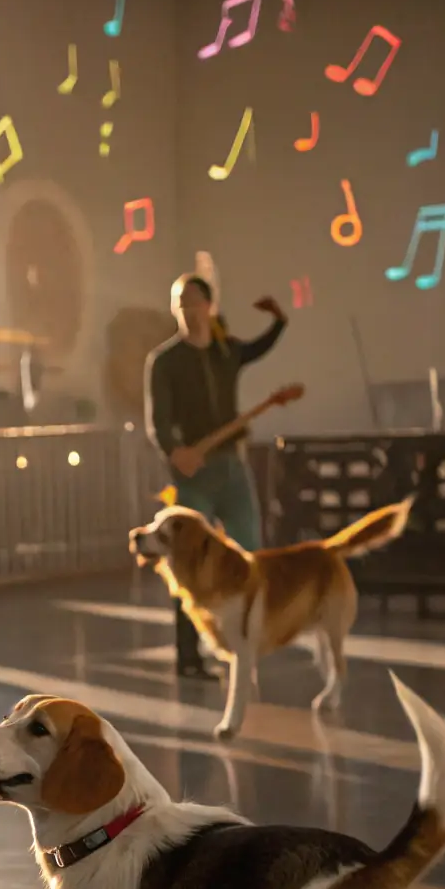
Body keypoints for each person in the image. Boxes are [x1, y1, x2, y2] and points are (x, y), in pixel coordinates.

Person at [144, 275, 288, 677]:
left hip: (231, 467)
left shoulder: (226, 352)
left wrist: (279, 319)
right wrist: (176, 452)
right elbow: (158, 420)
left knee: (249, 555)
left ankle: (247, 645)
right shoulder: (165, 361)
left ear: (209, 306)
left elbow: (260, 346)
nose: (187, 310)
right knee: (185, 562)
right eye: (180, 303)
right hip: (193, 475)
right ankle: (189, 657)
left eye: (194, 302)